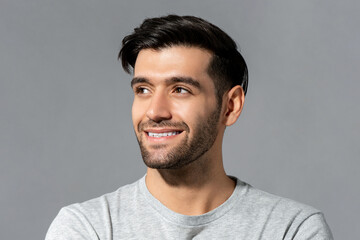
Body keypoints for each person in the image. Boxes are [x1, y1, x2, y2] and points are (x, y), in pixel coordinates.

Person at [46, 15, 333, 239]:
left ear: (230, 106)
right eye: (143, 89)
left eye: (180, 90)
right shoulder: (87, 228)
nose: (155, 111)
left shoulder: (291, 230)